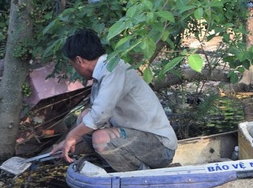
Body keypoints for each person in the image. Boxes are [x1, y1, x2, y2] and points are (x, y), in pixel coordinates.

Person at [51, 29, 178, 171]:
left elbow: (99, 116)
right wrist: (67, 142)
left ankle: (140, 174)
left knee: (100, 138)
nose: (74, 68)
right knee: (84, 116)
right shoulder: (102, 73)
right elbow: (93, 118)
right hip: (132, 139)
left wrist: (72, 135)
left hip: (160, 146)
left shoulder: (113, 69)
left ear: (79, 60)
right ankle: (117, 165)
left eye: (72, 64)